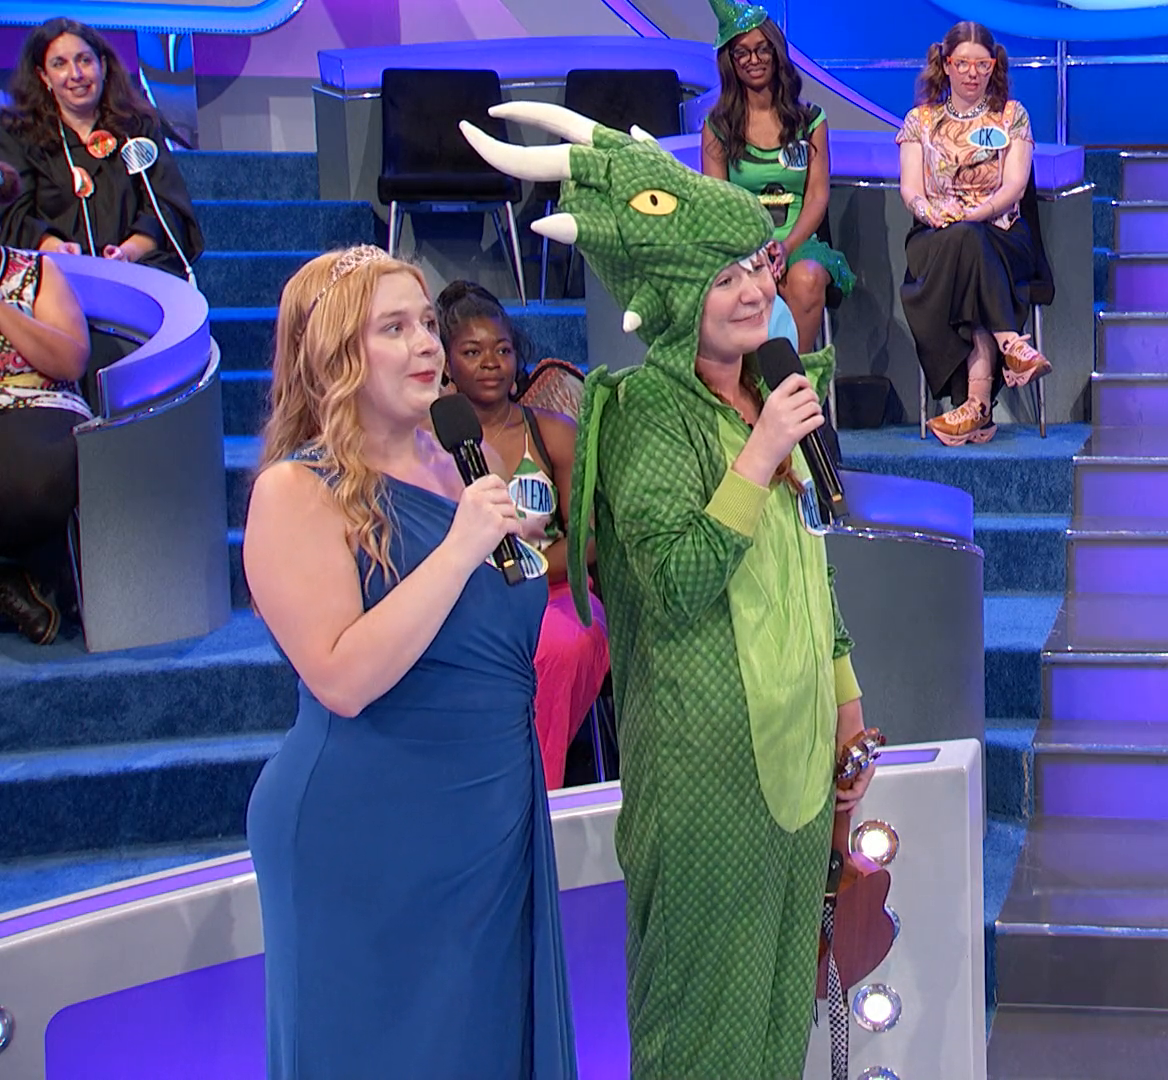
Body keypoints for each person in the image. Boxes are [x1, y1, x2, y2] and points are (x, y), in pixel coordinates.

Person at [464, 101, 875, 1079]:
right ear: (679, 291)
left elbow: (809, 562)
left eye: (757, 266)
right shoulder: (649, 409)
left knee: (779, 1021)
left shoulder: (773, 389)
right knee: (701, 1032)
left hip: (798, 764)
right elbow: (678, 583)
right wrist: (759, 455)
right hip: (706, 774)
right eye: (724, 276)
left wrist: (847, 705)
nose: (754, 289)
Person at [244, 246, 575, 1078]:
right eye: (393, 328)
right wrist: (462, 548)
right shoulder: (296, 491)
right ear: (335, 355)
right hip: (369, 827)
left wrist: (511, 544)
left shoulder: (459, 458)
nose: (427, 343)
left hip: (491, 813)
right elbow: (341, 678)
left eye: (427, 322)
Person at [439, 280, 612, 786]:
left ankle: (536, 789)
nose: (491, 363)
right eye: (472, 352)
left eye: (502, 350)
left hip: (552, 594)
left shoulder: (553, 432)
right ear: (447, 363)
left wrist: (524, 573)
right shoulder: (424, 442)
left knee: (560, 644)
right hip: (459, 598)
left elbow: (589, 538)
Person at [896, 20, 1049, 447]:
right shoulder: (920, 120)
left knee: (972, 243)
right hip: (935, 236)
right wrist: (932, 213)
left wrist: (977, 213)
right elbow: (911, 190)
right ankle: (1010, 346)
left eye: (982, 64)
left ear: (993, 66)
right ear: (945, 64)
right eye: (962, 63)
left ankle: (974, 404)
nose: (972, 73)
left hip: (1001, 232)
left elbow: (1014, 186)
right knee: (965, 244)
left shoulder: (1012, 116)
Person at [701, 0, 854, 353]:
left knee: (807, 278)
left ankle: (794, 376)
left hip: (798, 242)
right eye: (742, 53)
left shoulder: (810, 121)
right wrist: (751, 252)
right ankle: (747, 381)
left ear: (776, 52)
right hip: (739, 245)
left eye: (761, 49)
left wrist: (785, 248)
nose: (753, 60)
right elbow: (717, 202)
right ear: (730, 62)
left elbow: (817, 197)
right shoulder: (718, 127)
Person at [0, 19, 202, 279]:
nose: (76, 74)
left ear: (103, 66)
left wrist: (127, 253)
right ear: (44, 76)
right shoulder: (18, 134)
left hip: (135, 272)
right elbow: (13, 217)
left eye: (85, 60)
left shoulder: (136, 127)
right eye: (60, 64)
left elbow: (166, 209)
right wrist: (55, 248)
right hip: (51, 273)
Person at [0, 159, 91, 646]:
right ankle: (14, 579)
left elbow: (69, 360)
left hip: (36, 409)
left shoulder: (35, 272)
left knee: (30, 476)